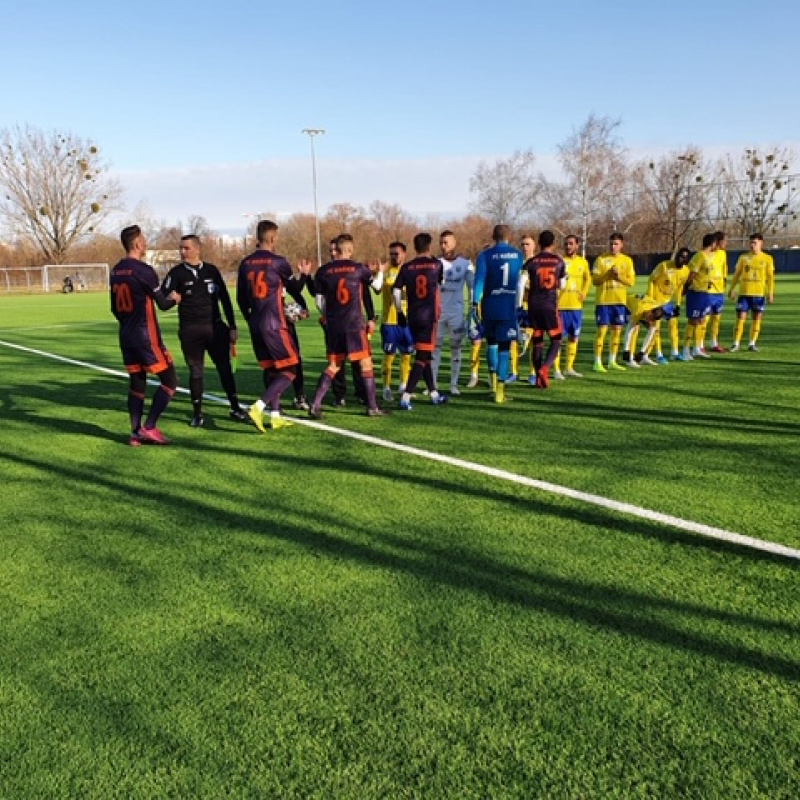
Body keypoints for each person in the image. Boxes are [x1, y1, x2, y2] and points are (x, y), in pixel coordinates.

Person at [161, 234, 248, 427]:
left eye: (186, 248)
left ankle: (235, 407)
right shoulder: (176, 274)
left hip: (216, 329)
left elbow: (225, 300)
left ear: (198, 249)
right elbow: (163, 304)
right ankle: (197, 414)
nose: (183, 252)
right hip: (191, 331)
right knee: (196, 372)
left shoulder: (212, 271)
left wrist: (232, 327)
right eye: (181, 248)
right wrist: (171, 300)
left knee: (225, 369)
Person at [110, 225, 179, 445]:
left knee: (137, 383)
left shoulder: (115, 271)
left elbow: (114, 308)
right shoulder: (144, 271)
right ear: (138, 244)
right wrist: (175, 298)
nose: (146, 243)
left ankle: (134, 433)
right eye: (144, 239)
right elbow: (163, 304)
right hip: (145, 336)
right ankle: (149, 427)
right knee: (170, 380)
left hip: (126, 335)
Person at [237, 219, 305, 431]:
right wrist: (304, 276)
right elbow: (294, 287)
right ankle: (259, 406)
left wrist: (251, 319)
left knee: (274, 369)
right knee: (291, 367)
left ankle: (275, 416)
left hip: (255, 322)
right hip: (274, 323)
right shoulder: (278, 262)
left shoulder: (246, 263)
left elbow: (241, 299)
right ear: (273, 237)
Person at [308, 233, 384, 418]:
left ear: (337, 250)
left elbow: (319, 302)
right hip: (354, 325)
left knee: (334, 365)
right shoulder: (357, 268)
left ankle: (315, 404)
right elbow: (377, 287)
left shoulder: (323, 271)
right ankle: (372, 407)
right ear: (349, 250)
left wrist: (329, 315)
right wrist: (379, 271)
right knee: (365, 363)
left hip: (334, 326)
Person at [393, 232, 448, 410]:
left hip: (413, 316)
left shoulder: (407, 267)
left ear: (415, 247)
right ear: (429, 246)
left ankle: (434, 394)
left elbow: (396, 291)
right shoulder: (436, 264)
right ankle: (406, 397)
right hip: (428, 316)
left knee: (425, 356)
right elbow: (441, 284)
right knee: (422, 357)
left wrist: (400, 312)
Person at [473, 225, 524, 403]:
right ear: (509, 236)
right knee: (505, 348)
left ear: (493, 236)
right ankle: (500, 391)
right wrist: (519, 305)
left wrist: (474, 303)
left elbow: (479, 280)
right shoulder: (518, 255)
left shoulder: (485, 255)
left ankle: (493, 382)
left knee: (491, 343)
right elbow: (519, 282)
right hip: (507, 306)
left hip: (489, 306)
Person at [517, 230, 566, 389]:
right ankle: (545, 368)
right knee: (556, 340)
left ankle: (538, 377)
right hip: (550, 305)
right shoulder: (559, 261)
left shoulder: (532, 262)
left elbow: (520, 284)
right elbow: (563, 285)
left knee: (537, 341)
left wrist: (519, 306)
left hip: (534, 305)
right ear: (553, 243)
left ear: (539, 243)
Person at [432, 230, 474, 395]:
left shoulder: (465, 264)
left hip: (456, 313)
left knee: (456, 348)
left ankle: (453, 384)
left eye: (446, 242)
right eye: (441, 242)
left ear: (455, 243)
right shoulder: (435, 263)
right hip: (438, 313)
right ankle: (433, 385)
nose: (443, 246)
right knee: (435, 349)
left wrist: (473, 306)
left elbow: (472, 287)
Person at [592, 232, 636, 372]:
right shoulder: (601, 259)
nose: (613, 246)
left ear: (622, 245)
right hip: (604, 301)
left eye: (616, 244)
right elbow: (595, 280)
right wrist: (608, 274)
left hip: (619, 301)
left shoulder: (627, 261)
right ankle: (597, 362)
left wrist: (618, 276)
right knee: (602, 332)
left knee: (617, 331)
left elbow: (631, 282)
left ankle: (612, 360)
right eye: (611, 243)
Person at [640, 246, 691, 364]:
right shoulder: (664, 266)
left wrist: (678, 304)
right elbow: (651, 280)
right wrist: (651, 301)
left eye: (684, 257)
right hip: (657, 300)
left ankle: (675, 352)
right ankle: (659, 354)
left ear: (687, 260)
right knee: (656, 328)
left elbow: (680, 287)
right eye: (679, 256)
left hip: (668, 301)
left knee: (674, 325)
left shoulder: (685, 271)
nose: (680, 259)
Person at [552, 234, 591, 379]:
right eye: (566, 244)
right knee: (558, 339)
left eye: (571, 244)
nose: (568, 246)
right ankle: (556, 370)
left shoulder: (583, 262)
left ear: (577, 245)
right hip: (560, 306)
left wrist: (584, 293)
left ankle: (569, 367)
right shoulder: (559, 261)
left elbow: (588, 278)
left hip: (576, 307)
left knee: (574, 338)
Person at [379, 241, 414, 401]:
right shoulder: (386, 273)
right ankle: (386, 387)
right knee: (389, 356)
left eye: (396, 253)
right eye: (391, 253)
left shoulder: (409, 272)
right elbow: (377, 288)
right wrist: (379, 272)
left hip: (407, 321)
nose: (393, 256)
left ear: (404, 254)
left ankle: (403, 385)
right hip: (389, 322)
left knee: (407, 354)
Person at [728, 232, 775, 352]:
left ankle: (752, 343)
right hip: (744, 293)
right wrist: (732, 288)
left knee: (757, 318)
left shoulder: (767, 258)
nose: (752, 245)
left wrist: (770, 293)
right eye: (751, 242)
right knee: (740, 318)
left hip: (759, 294)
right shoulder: (743, 257)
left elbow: (770, 278)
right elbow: (736, 274)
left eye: (755, 243)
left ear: (761, 243)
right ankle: (736, 343)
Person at [679, 232, 717, 361]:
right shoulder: (699, 256)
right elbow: (692, 274)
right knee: (693, 321)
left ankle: (696, 348)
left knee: (700, 320)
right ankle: (685, 350)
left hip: (704, 292)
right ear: (712, 244)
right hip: (695, 292)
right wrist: (685, 289)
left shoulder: (707, 256)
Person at [704, 231, 729, 352]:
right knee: (705, 318)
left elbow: (724, 269)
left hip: (719, 292)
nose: (726, 243)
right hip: (709, 291)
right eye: (724, 241)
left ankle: (714, 343)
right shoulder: (708, 254)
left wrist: (724, 282)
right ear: (718, 242)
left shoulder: (723, 254)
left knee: (717, 318)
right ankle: (700, 344)